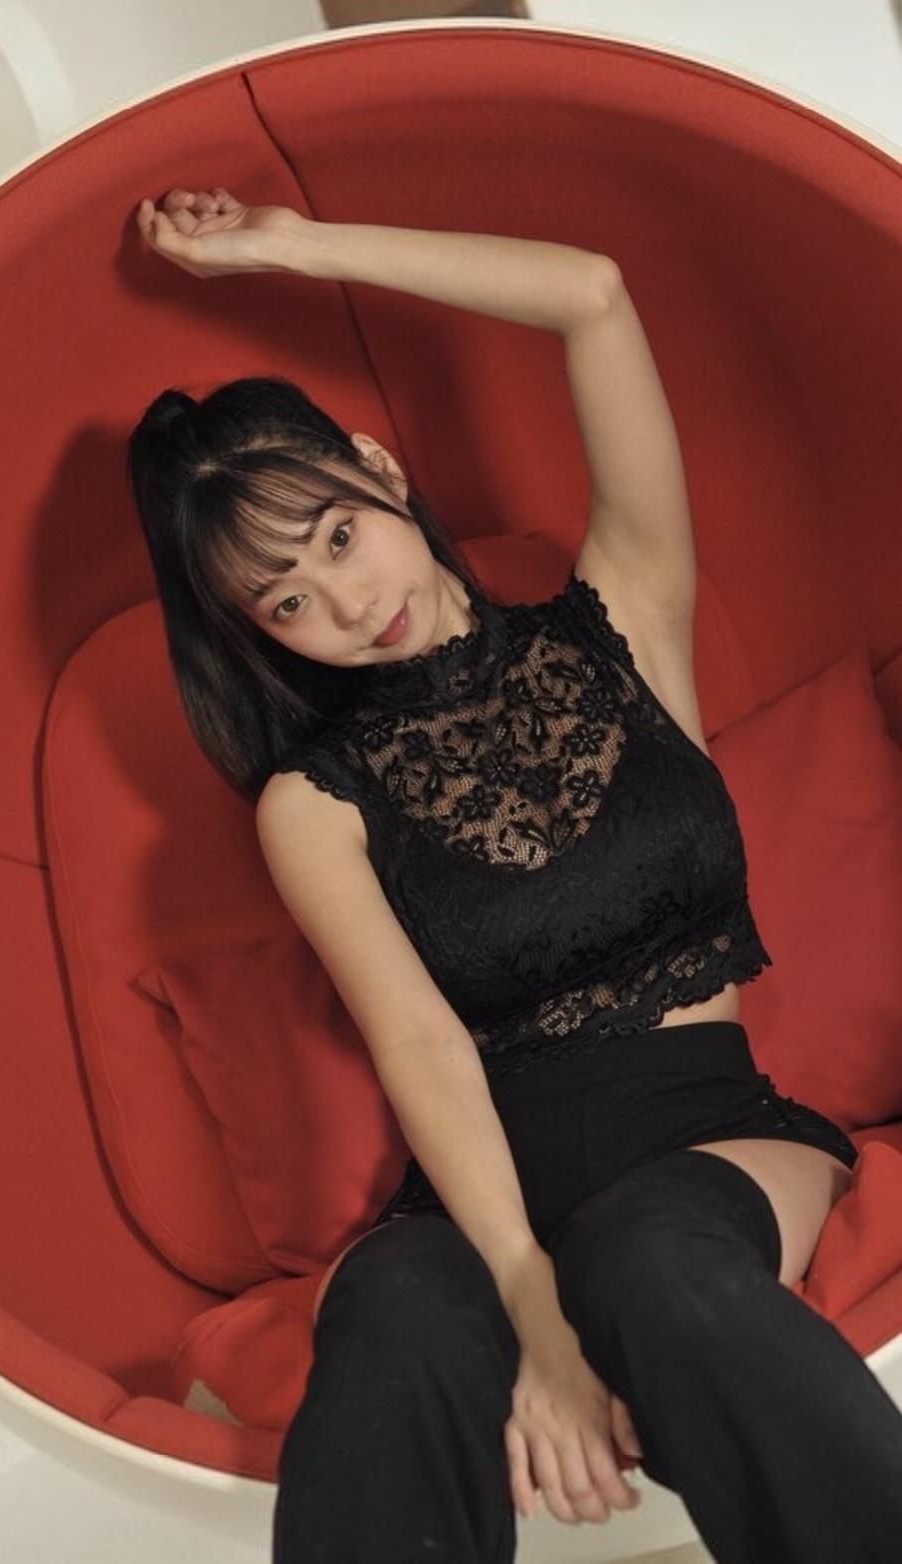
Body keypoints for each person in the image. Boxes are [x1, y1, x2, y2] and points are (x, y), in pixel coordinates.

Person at [127, 186, 902, 1562]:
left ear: (377, 470)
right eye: (288, 602)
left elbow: (592, 294)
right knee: (393, 1318)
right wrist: (532, 1311)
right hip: (474, 1205)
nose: (347, 605)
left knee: (653, 1262)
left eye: (339, 537)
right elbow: (422, 1047)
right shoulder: (311, 804)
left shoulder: (625, 618)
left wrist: (285, 249)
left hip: (709, 1141)